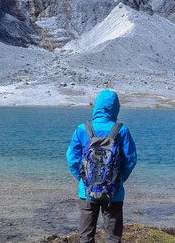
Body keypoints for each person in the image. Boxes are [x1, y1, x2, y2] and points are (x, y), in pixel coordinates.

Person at [66, 90, 137, 243]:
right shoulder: (121, 130)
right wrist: (118, 179)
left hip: (87, 191)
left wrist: (83, 177)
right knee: (112, 238)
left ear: (97, 106)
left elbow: (72, 158)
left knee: (86, 237)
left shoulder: (82, 129)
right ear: (115, 107)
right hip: (113, 192)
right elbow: (130, 160)